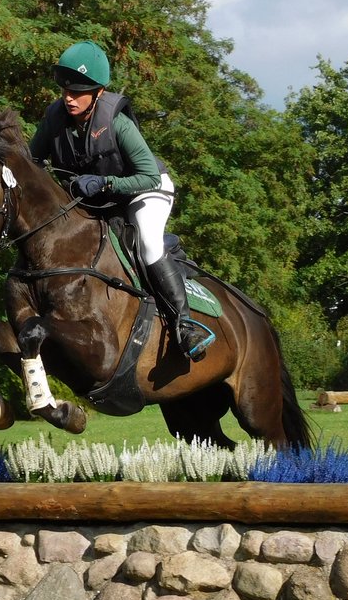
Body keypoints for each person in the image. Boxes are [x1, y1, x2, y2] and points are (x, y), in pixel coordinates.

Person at [28, 40, 216, 361]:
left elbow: (149, 177)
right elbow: (31, 162)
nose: (69, 97)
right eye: (66, 90)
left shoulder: (118, 123)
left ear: (98, 92)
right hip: (102, 201)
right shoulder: (55, 119)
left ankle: (185, 325)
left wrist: (105, 182)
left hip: (146, 190)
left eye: (78, 91)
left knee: (147, 242)